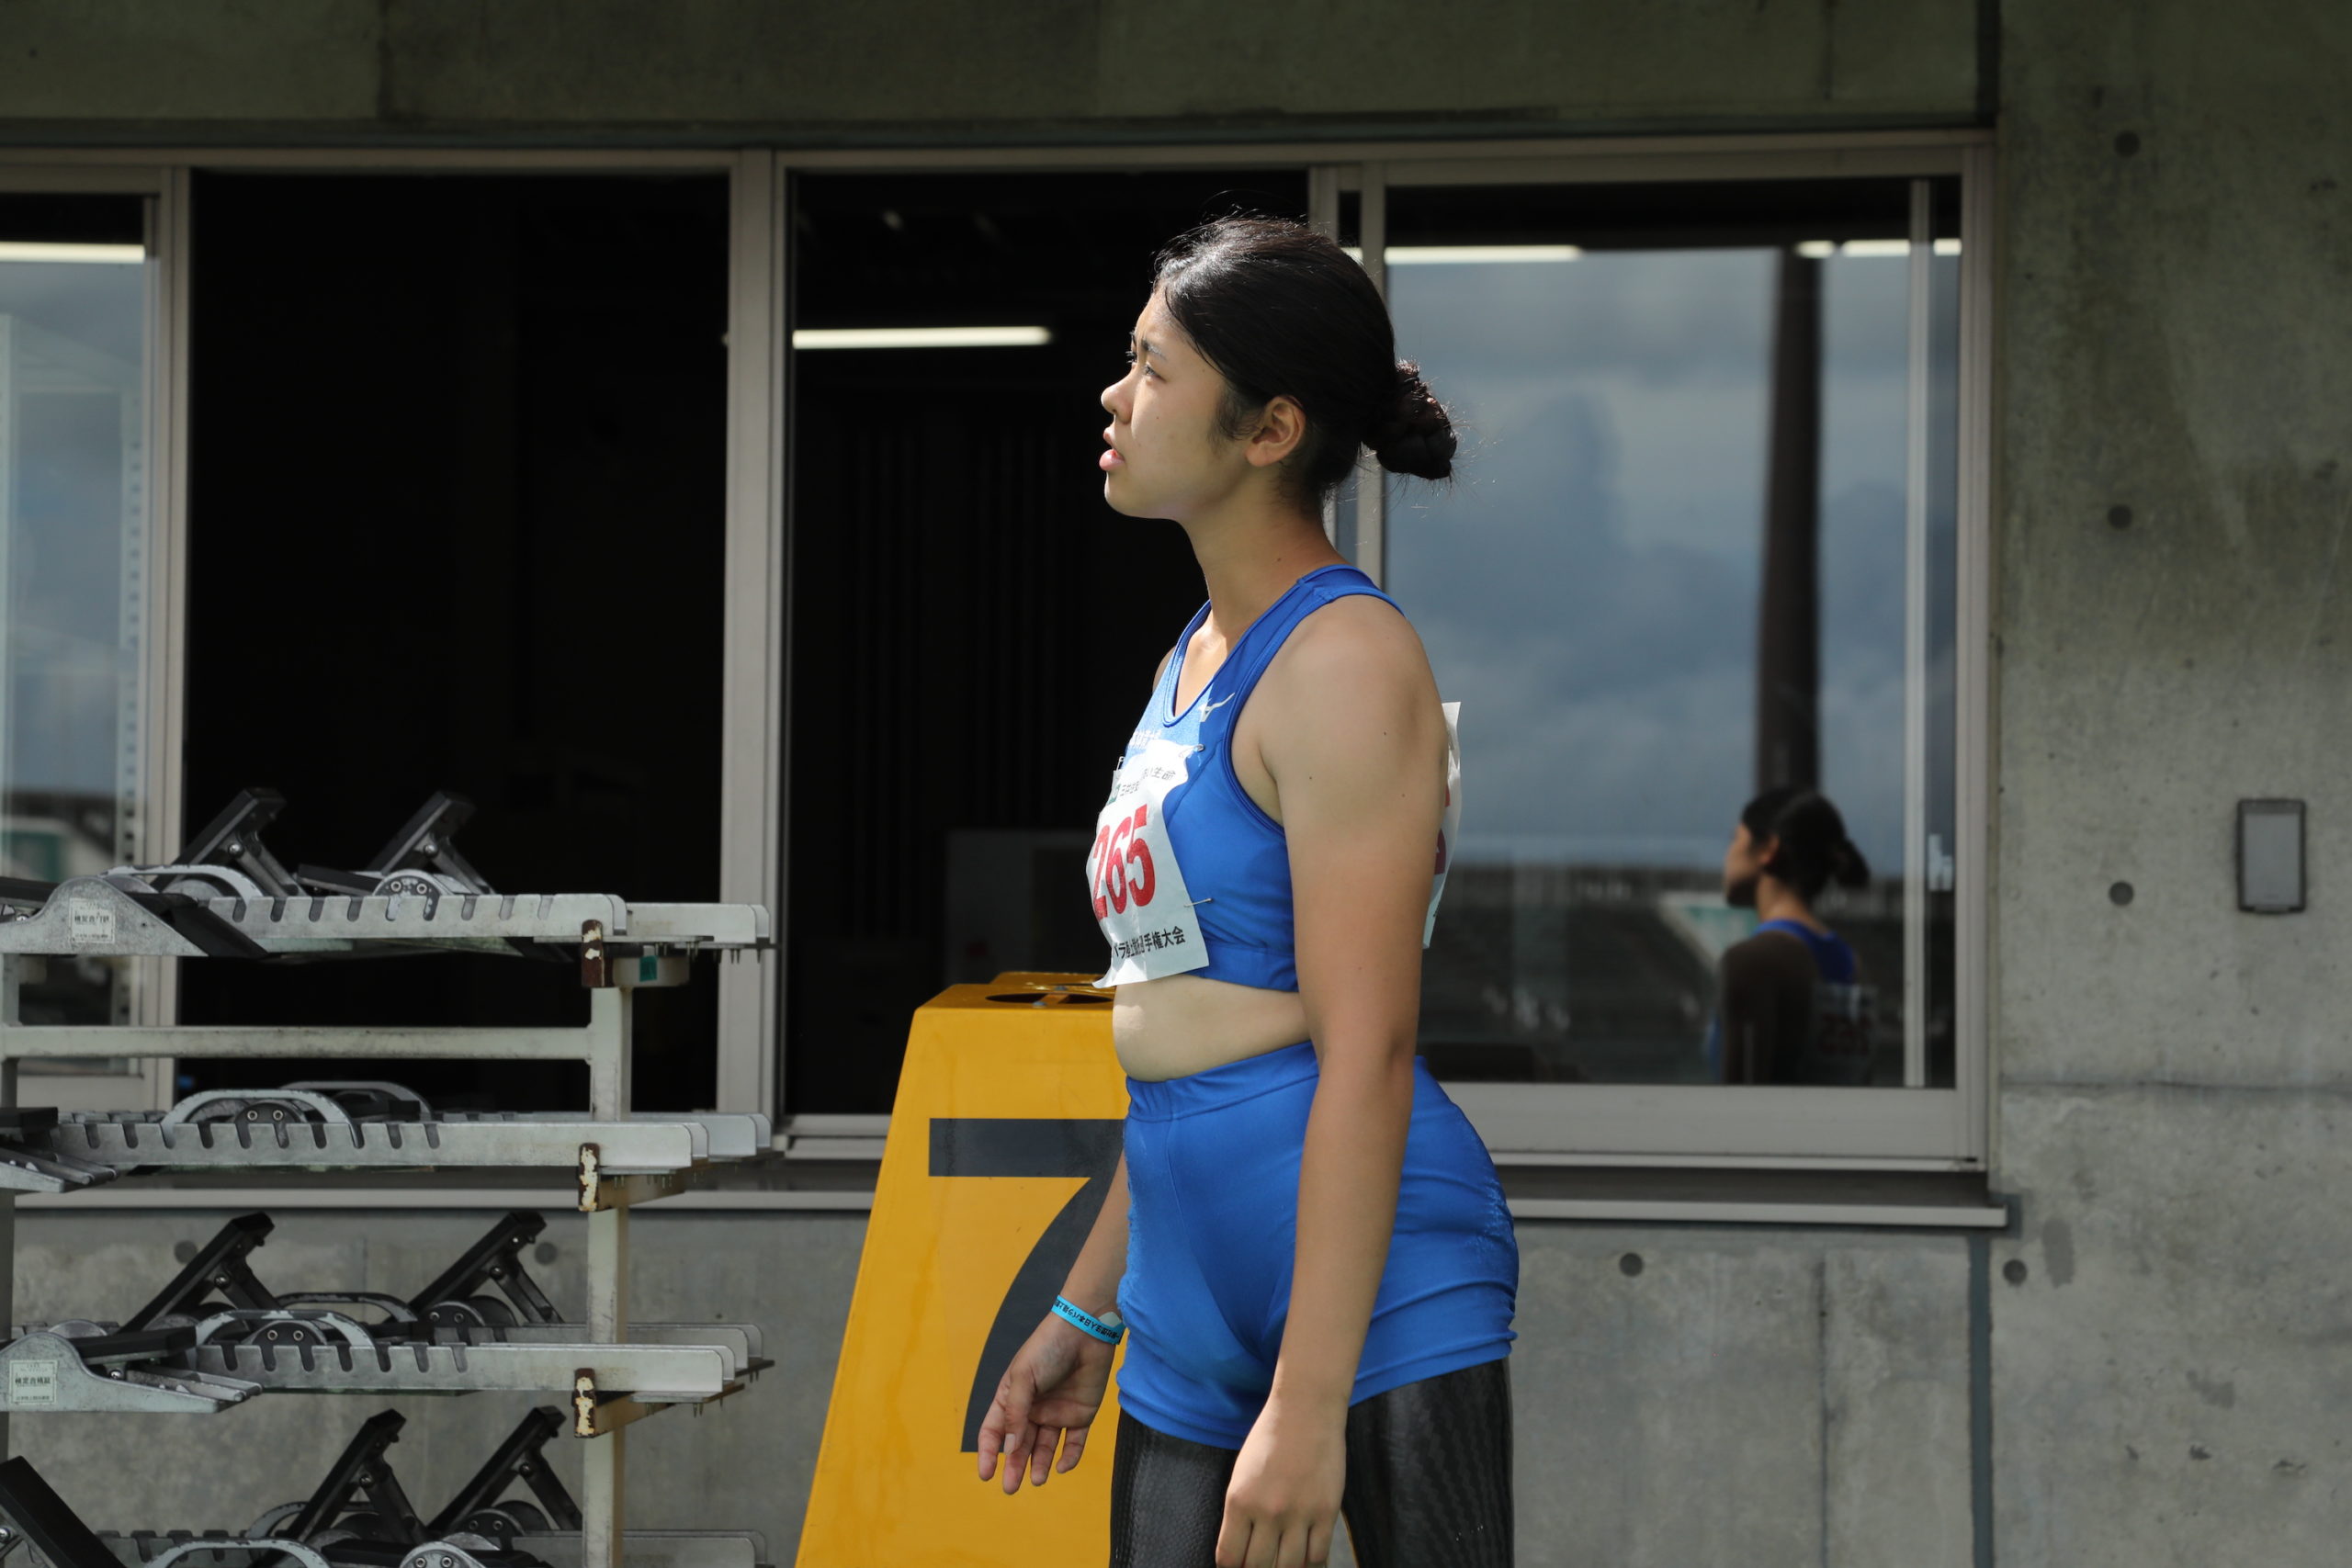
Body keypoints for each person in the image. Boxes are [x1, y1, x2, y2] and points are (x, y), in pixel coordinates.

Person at [973, 217, 1518, 1568]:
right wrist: (1087, 1308)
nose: (1115, 396)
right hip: (1181, 1266)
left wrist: (1310, 1401)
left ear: (1271, 429)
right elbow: (1177, 1029)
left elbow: (1366, 1046)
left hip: (1375, 1286)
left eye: (1154, 370)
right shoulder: (1191, 660)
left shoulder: (1342, 659)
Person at [1711, 786, 1875, 1085]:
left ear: (1768, 850)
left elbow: (1740, 1098)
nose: (1727, 854)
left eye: (1735, 838)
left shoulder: (1750, 962)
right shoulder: (1853, 965)